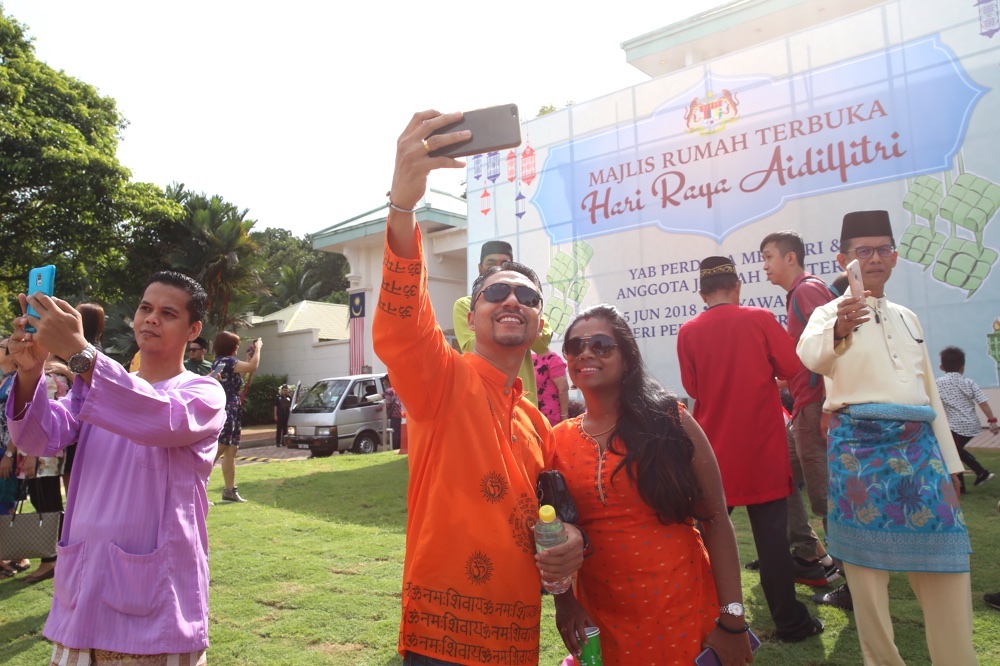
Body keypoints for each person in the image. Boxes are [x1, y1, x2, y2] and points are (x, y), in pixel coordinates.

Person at [372, 110, 584, 665]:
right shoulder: (442, 380)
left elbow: (561, 517)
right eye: (497, 292)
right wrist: (402, 205)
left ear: (539, 324)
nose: (513, 299)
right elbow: (401, 326)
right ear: (474, 311)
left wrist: (572, 547)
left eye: (527, 296)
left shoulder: (539, 424)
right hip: (441, 643)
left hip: (517, 638)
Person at [5, 270, 225, 663]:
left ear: (193, 329)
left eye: (167, 313)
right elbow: (39, 439)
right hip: (82, 590)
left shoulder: (203, 392)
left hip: (154, 599)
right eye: (145, 307)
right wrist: (29, 372)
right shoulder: (94, 385)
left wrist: (80, 352)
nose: (151, 318)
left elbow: (157, 418)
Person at [797, 210, 976, 665]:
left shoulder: (908, 317)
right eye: (863, 251)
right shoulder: (825, 312)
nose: (874, 258)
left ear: (894, 256)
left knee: (948, 565)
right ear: (844, 259)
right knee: (867, 580)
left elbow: (928, 391)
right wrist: (839, 326)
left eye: (882, 249)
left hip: (920, 450)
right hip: (859, 452)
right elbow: (810, 356)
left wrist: (952, 466)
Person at [551, 304, 754, 665]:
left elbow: (716, 520)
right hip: (602, 618)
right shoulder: (557, 441)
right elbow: (552, 534)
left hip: (680, 606)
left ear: (627, 359)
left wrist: (733, 621)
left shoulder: (669, 421)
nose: (585, 353)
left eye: (601, 345)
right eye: (574, 346)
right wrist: (565, 602)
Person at [677, 255, 823, 642]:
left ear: (701, 292)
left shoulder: (689, 330)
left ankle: (708, 616)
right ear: (737, 287)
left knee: (706, 541)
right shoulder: (757, 318)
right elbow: (795, 366)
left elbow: (693, 389)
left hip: (713, 452)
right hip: (762, 449)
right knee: (773, 542)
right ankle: (790, 622)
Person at [760, 231, 840, 590]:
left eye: (769, 257)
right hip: (806, 406)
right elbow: (805, 357)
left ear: (790, 258)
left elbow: (837, 342)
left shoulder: (807, 290)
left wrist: (828, 406)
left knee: (824, 496)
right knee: (780, 474)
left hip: (815, 408)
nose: (765, 266)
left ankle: (850, 579)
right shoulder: (800, 294)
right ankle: (808, 554)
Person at [453, 240, 553, 406]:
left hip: (525, 402)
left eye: (505, 263)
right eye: (491, 263)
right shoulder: (465, 304)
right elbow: (472, 345)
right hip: (482, 401)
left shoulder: (528, 307)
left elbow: (542, 345)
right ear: (472, 319)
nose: (511, 302)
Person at [936, 345, 998, 492]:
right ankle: (961, 486)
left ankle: (981, 473)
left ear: (941, 366)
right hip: (971, 425)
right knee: (954, 452)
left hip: (956, 426)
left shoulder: (937, 384)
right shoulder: (969, 383)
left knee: (953, 451)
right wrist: (992, 421)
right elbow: (983, 403)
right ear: (962, 367)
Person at [210, 332, 261, 503]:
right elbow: (253, 367)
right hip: (228, 408)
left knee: (231, 449)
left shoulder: (219, 362)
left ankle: (230, 491)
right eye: (236, 344)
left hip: (231, 406)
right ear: (230, 346)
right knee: (221, 447)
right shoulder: (229, 361)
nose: (238, 347)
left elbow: (238, 378)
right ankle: (197, 488)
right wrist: (258, 348)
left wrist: (247, 358)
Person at [532, 348, 569, 426]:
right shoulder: (530, 358)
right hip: (532, 411)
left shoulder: (553, 360)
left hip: (550, 414)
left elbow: (563, 389)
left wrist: (564, 417)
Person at [381, 376, 403, 450]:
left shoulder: (388, 391)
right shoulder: (395, 389)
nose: (383, 382)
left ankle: (394, 447)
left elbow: (388, 404)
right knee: (397, 432)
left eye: (384, 381)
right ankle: (398, 447)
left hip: (393, 414)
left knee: (393, 432)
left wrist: (381, 408)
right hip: (398, 413)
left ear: (387, 381)